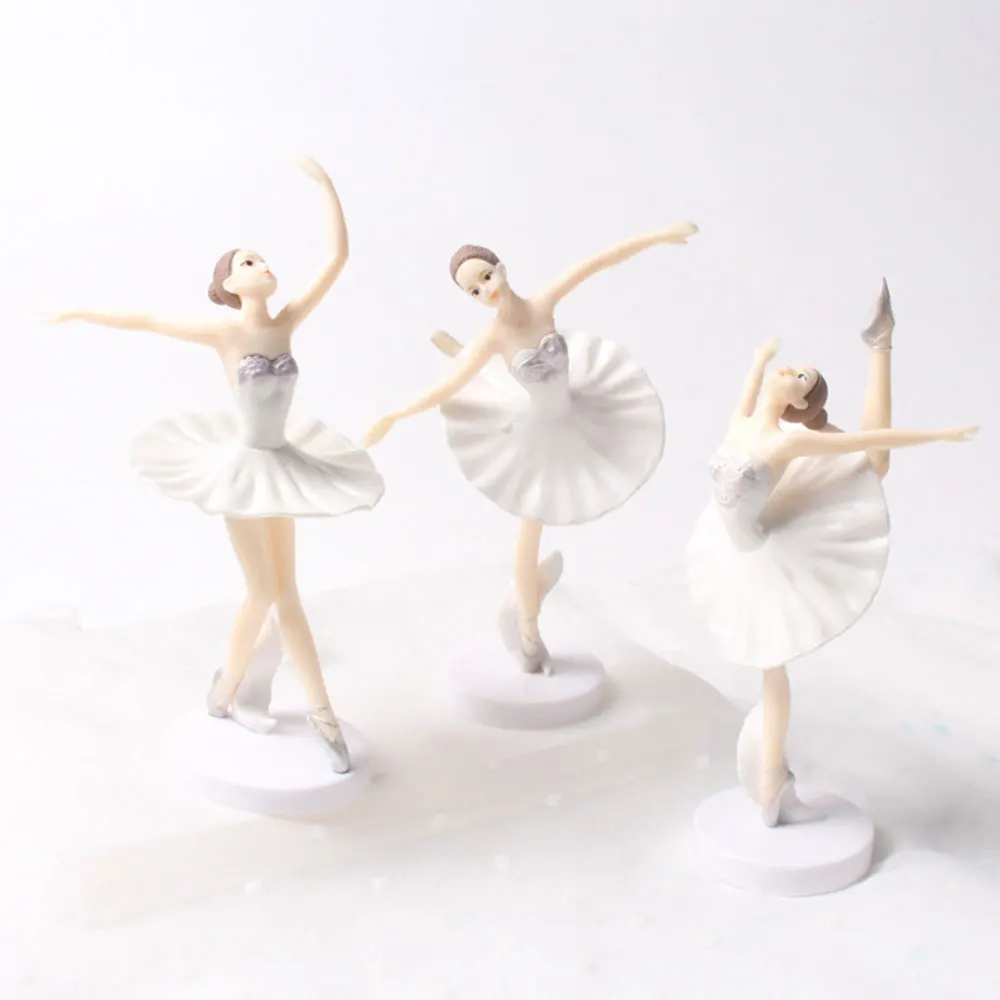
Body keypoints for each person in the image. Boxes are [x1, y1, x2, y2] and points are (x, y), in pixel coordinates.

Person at [46, 157, 383, 773]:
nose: (262, 265)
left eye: (262, 259)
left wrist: (327, 186)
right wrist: (79, 313)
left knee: (287, 592)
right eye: (247, 262)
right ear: (229, 284)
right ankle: (233, 690)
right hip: (242, 471)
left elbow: (337, 258)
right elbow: (148, 320)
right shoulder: (225, 334)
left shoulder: (286, 323)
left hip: (283, 463)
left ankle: (313, 710)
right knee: (265, 590)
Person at [687, 280, 978, 824]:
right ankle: (772, 780)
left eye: (801, 377)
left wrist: (940, 434)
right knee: (767, 667)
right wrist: (760, 358)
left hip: (770, 551)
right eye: (796, 369)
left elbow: (864, 444)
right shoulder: (744, 422)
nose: (791, 371)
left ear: (799, 403)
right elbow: (750, 387)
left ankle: (771, 780)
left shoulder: (790, 441)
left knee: (772, 669)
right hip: (733, 550)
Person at [365, 223, 697, 673]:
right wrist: (395, 416)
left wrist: (659, 236)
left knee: (582, 485)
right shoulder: (493, 338)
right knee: (530, 523)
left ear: (501, 268)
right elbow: (447, 388)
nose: (486, 290)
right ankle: (528, 628)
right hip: (534, 432)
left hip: (577, 412)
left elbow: (598, 261)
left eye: (486, 277)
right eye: (474, 291)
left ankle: (526, 618)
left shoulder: (542, 304)